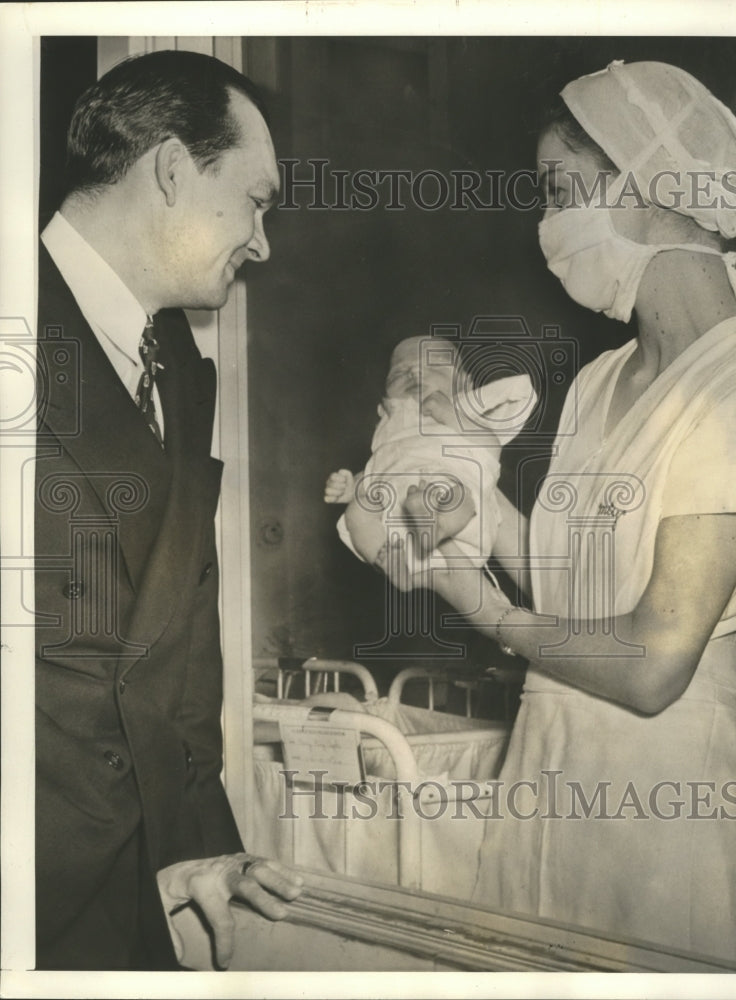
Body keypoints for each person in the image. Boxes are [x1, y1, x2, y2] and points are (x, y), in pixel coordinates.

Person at [388, 60, 736, 966]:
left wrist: (483, 609)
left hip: (661, 794)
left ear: (646, 185)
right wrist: (467, 514)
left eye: (559, 190)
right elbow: (568, 584)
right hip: (545, 761)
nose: (547, 223)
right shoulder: (598, 380)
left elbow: (652, 663)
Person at [35, 49, 302, 971]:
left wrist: (202, 853)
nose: (263, 243)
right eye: (256, 201)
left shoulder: (178, 369)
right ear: (174, 170)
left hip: (145, 890)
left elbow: (179, 657)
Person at [324, 335, 535, 575]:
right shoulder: (389, 426)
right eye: (398, 374)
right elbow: (381, 465)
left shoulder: (462, 409)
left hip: (454, 509)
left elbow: (491, 448)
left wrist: (451, 415)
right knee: (357, 513)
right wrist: (353, 487)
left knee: (456, 494)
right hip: (396, 523)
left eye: (433, 366)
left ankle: (438, 525)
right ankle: (390, 564)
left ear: (464, 383)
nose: (413, 373)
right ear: (384, 403)